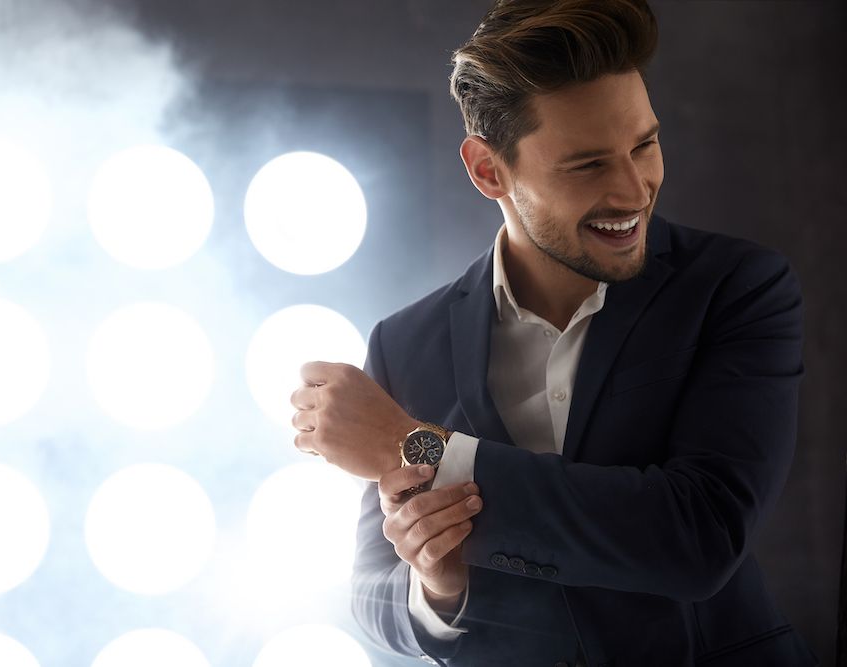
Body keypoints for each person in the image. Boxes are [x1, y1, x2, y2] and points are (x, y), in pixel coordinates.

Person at [289, 1, 817, 665]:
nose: (634, 189)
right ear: (488, 170)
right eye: (588, 164)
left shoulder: (737, 287)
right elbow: (374, 594)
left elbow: (699, 535)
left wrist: (415, 445)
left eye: (645, 144)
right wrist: (438, 584)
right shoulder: (404, 342)